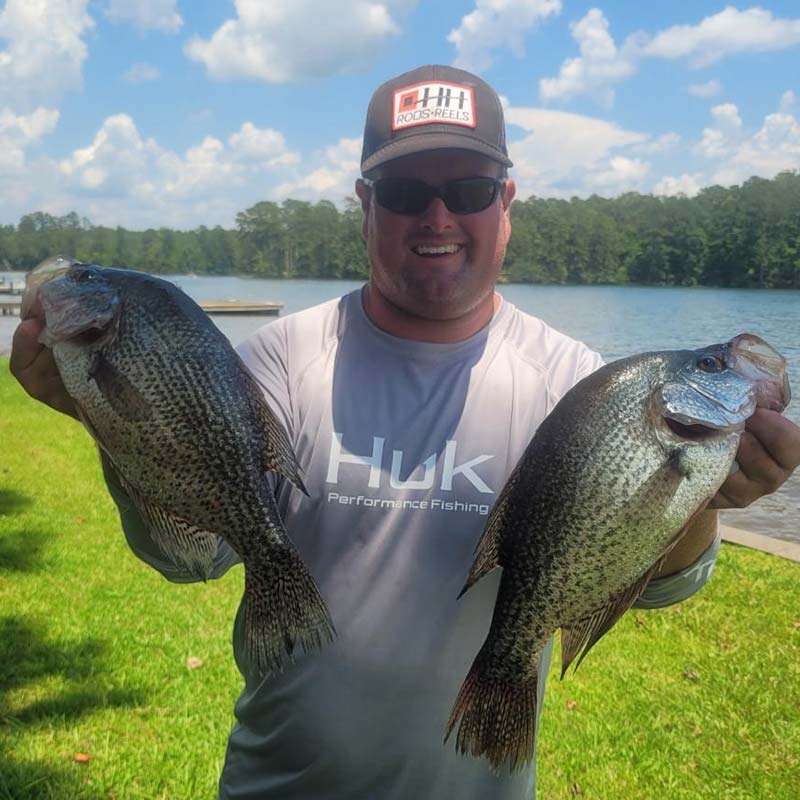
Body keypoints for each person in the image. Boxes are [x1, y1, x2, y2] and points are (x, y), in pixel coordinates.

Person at [11, 65, 800, 799]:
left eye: (468, 187)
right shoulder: (280, 358)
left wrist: (707, 497)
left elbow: (667, 588)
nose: (438, 216)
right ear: (364, 204)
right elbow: (190, 556)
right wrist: (113, 420)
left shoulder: (578, 383)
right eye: (402, 191)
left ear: (507, 204)